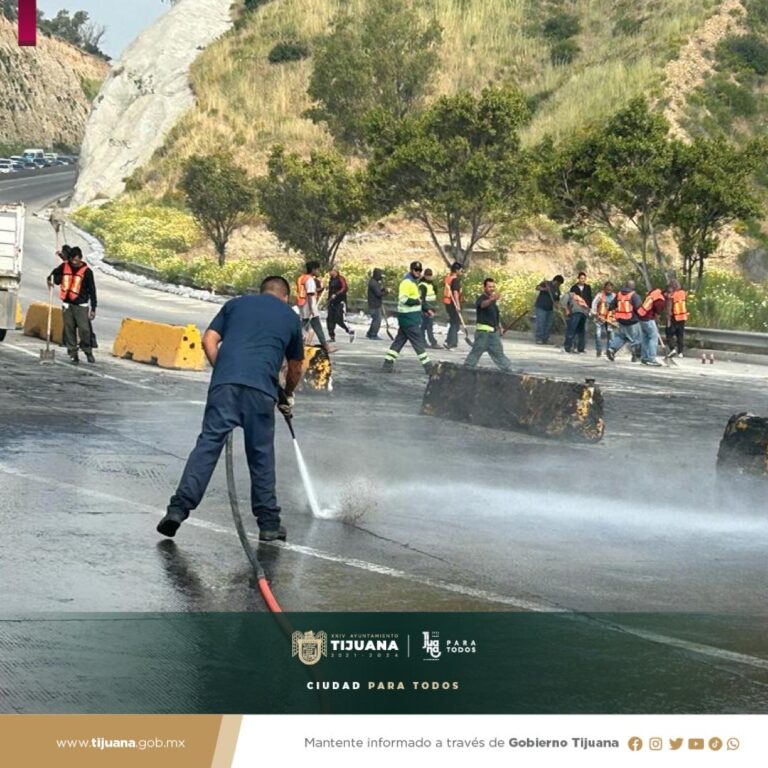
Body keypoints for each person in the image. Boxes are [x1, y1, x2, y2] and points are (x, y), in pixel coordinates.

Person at [157, 276, 305, 542]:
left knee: (207, 446)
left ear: (261, 291)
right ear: (286, 296)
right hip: (261, 391)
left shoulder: (235, 304)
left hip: (224, 386)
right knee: (260, 455)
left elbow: (208, 340)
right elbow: (295, 367)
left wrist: (221, 369)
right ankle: (269, 524)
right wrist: (287, 395)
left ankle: (177, 511)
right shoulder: (290, 317)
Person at [47, 246, 97, 364]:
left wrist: (93, 308)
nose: (74, 263)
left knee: (84, 330)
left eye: (77, 260)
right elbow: (53, 276)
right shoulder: (64, 267)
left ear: (81, 259)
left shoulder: (87, 272)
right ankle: (73, 353)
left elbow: (92, 291)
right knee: (69, 329)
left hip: (81, 305)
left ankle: (87, 351)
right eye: (72, 260)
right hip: (67, 305)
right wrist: (50, 280)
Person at [382, 261, 432, 374]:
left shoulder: (414, 282)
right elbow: (404, 299)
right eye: (416, 270)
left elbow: (417, 300)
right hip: (409, 319)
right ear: (411, 270)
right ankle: (429, 368)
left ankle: (387, 364)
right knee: (418, 343)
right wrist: (416, 301)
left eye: (420, 270)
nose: (418, 272)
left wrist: (426, 309)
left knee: (398, 342)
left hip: (409, 319)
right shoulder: (406, 283)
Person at [464, 278, 514, 372]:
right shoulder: (482, 298)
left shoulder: (493, 301)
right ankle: (466, 369)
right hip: (483, 333)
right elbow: (482, 305)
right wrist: (491, 299)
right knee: (476, 352)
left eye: (493, 287)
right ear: (484, 287)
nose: (492, 288)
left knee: (498, 352)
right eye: (489, 287)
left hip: (493, 333)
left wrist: (500, 327)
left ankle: (508, 369)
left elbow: (495, 315)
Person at [296, 261, 331, 354]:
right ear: (313, 269)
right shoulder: (310, 280)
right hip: (309, 306)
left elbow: (306, 291)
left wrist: (320, 290)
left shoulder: (301, 278)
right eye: (317, 269)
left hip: (302, 305)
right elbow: (310, 294)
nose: (318, 271)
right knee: (317, 326)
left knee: (304, 327)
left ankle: (299, 345)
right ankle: (326, 346)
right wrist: (312, 309)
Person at [606, 281, 642, 362]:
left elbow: (611, 306)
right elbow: (639, 309)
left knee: (621, 337)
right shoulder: (634, 295)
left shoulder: (619, 294)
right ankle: (635, 356)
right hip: (632, 321)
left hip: (621, 320)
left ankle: (611, 349)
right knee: (635, 339)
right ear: (632, 287)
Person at [562, 271, 593, 353]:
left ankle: (581, 348)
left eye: (584, 278)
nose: (583, 280)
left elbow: (589, 299)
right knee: (572, 328)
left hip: (585, 311)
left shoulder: (588, 287)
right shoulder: (574, 288)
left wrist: (589, 309)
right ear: (578, 279)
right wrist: (568, 310)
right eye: (581, 278)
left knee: (583, 330)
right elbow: (570, 299)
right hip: (576, 310)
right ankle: (568, 346)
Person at [636, 285, 666, 366]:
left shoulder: (654, 292)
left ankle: (644, 358)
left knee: (645, 337)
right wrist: (657, 323)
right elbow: (657, 314)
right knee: (653, 337)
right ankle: (651, 358)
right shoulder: (660, 300)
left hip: (642, 316)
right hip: (648, 318)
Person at [326, 266, 355, 343]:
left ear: (335, 271)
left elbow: (344, 288)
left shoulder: (341, 279)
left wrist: (336, 294)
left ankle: (349, 330)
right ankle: (332, 336)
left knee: (339, 319)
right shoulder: (331, 279)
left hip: (340, 302)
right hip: (331, 302)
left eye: (330, 271)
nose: (329, 273)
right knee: (330, 319)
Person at [534, 275, 564, 344]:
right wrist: (544, 289)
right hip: (541, 307)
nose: (559, 285)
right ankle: (539, 338)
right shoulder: (546, 283)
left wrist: (557, 306)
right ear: (556, 281)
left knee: (548, 324)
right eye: (559, 284)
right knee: (541, 323)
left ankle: (545, 339)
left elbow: (557, 300)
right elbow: (537, 287)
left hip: (550, 309)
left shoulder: (557, 290)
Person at [442, 261, 464, 349]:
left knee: (453, 322)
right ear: (457, 270)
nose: (461, 271)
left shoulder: (448, 278)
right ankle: (452, 342)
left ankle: (449, 340)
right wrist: (458, 305)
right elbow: (455, 292)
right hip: (453, 303)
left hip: (448, 303)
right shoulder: (455, 280)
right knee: (455, 323)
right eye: (461, 270)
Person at [591, 281, 616, 358]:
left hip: (610, 319)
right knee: (598, 335)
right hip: (600, 318)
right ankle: (599, 350)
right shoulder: (600, 295)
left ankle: (609, 351)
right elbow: (594, 304)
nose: (609, 289)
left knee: (611, 336)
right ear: (604, 288)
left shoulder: (615, 296)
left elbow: (617, 306)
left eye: (610, 288)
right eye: (607, 288)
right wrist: (594, 312)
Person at [665, 279, 688, 357]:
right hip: (682, 316)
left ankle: (672, 349)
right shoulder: (683, 293)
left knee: (669, 333)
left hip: (674, 317)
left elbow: (669, 308)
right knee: (680, 335)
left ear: (671, 287)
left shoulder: (672, 296)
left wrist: (668, 319)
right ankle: (680, 352)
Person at [419, 268, 440, 349]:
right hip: (425, 308)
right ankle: (429, 342)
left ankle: (427, 342)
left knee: (427, 326)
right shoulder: (422, 286)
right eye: (428, 275)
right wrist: (427, 310)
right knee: (426, 326)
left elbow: (435, 293)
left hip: (431, 307)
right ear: (425, 276)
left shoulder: (431, 285)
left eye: (430, 275)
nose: (429, 277)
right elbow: (422, 299)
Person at [366, 268, 386, 340]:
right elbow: (378, 294)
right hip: (374, 304)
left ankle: (369, 333)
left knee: (375, 319)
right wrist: (386, 292)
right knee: (377, 320)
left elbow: (378, 291)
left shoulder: (374, 282)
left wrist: (383, 289)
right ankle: (373, 334)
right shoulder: (373, 283)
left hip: (375, 303)